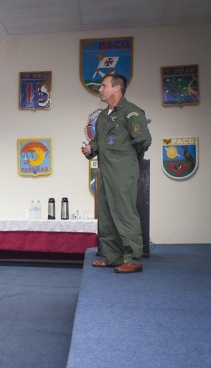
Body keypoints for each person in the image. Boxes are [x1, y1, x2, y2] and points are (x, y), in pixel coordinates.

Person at [81, 73, 152, 274]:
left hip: (122, 172)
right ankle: (112, 257)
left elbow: (143, 141)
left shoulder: (132, 112)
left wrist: (128, 161)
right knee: (106, 215)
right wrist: (90, 150)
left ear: (116, 88)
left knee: (124, 213)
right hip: (104, 172)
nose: (100, 90)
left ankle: (133, 258)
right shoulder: (103, 117)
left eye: (103, 86)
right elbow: (98, 142)